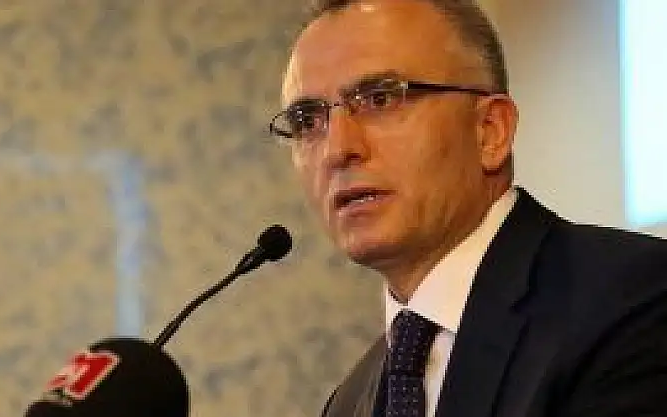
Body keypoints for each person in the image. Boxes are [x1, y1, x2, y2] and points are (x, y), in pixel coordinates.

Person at [267, 0, 667, 416]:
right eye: (307, 121)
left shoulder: (632, 301)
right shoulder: (348, 402)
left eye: (380, 99)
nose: (337, 150)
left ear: (490, 131)